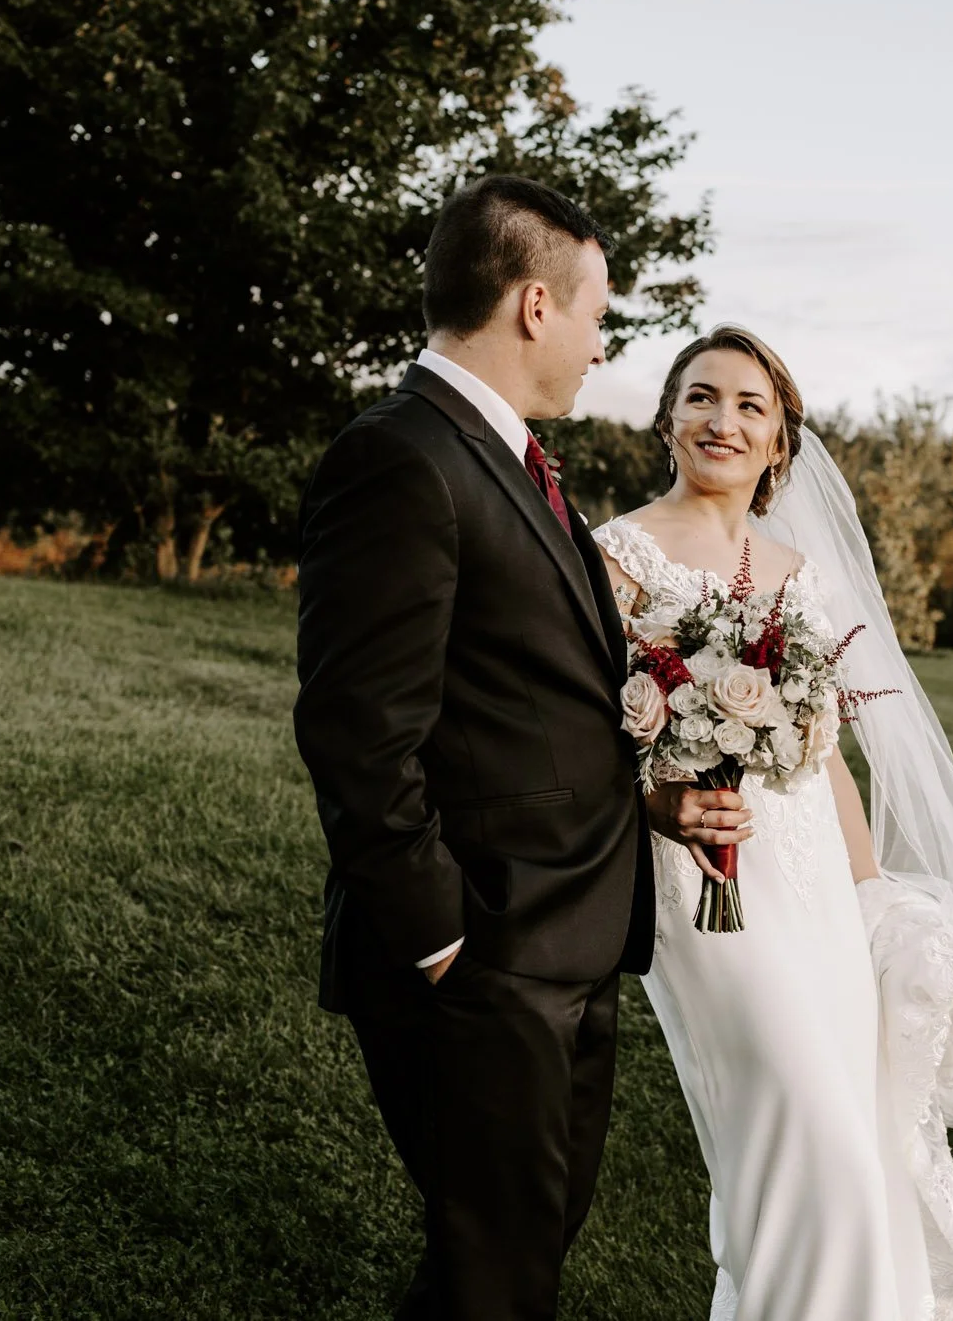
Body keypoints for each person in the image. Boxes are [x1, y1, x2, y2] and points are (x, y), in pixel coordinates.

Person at [292, 176, 742, 1320]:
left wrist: (646, 805)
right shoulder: (400, 457)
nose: (601, 345)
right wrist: (440, 937)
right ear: (535, 306)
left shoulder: (508, 458)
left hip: (566, 940)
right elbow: (356, 730)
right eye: (597, 313)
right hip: (483, 956)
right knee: (499, 1275)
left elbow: (521, 703)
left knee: (502, 1264)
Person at [591, 324, 953, 1321]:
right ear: (666, 419)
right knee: (801, 1124)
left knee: (849, 1135)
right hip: (704, 881)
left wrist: (868, 897)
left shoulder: (799, 572)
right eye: (700, 397)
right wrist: (652, 799)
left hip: (814, 885)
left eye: (748, 406)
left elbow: (823, 757)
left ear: (778, 445)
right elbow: (572, 738)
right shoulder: (617, 556)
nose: (721, 419)